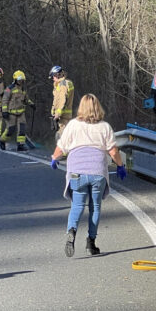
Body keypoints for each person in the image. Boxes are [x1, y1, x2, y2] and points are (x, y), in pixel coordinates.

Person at [50, 93, 126, 257]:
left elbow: (61, 147)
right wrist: (120, 166)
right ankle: (91, 243)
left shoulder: (73, 125)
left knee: (77, 206)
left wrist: (54, 159)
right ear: (98, 107)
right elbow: (113, 150)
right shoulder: (105, 127)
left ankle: (71, 230)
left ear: (81, 107)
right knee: (95, 208)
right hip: (97, 171)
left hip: (77, 171)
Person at [0, 70, 35, 151]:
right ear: (15, 80)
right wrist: (4, 111)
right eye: (19, 80)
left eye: (22, 80)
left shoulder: (23, 89)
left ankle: (20, 145)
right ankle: (2, 140)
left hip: (21, 112)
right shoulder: (9, 89)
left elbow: (26, 99)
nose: (21, 81)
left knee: (22, 129)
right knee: (10, 129)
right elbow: (5, 100)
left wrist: (31, 104)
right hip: (11, 113)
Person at [49, 65, 74, 141]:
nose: (53, 79)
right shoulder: (66, 83)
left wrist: (57, 114)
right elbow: (57, 100)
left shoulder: (62, 84)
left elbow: (63, 100)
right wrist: (53, 111)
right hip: (64, 116)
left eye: (53, 77)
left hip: (63, 117)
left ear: (57, 74)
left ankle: (63, 153)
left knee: (61, 138)